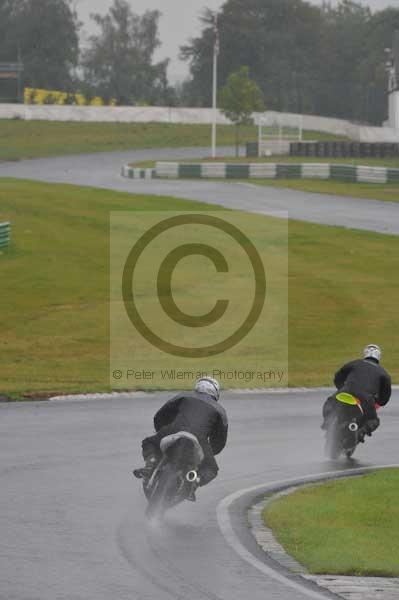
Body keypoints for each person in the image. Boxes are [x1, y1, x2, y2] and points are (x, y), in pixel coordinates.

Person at [133, 377, 228, 501]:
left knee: (149, 442)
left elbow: (160, 415)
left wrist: (161, 431)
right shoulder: (220, 410)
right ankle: (194, 481)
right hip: (199, 439)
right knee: (211, 469)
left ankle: (150, 464)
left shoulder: (183, 396)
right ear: (215, 393)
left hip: (174, 430)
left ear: (197, 387)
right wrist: (209, 452)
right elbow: (220, 440)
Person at [322, 344, 392, 439]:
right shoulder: (383, 373)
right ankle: (361, 433)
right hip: (365, 400)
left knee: (330, 403)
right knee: (373, 421)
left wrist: (341, 389)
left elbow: (338, 376)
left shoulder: (355, 363)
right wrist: (377, 402)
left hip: (346, 393)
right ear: (379, 356)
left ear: (365, 354)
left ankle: (328, 422)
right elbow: (385, 397)